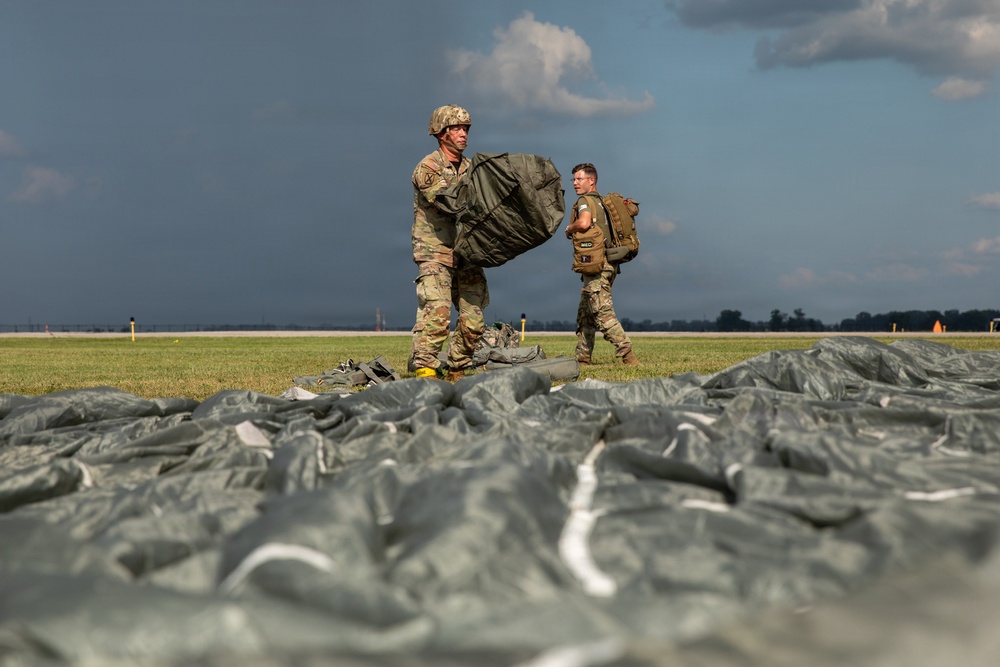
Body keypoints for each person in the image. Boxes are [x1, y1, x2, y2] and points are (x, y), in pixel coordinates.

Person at [409, 104, 489, 381]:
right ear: (441, 133)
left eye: (466, 128)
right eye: (456, 128)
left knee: (474, 320)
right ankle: (425, 369)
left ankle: (457, 368)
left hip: (467, 253)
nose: (463, 134)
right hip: (435, 251)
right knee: (438, 315)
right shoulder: (428, 167)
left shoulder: (473, 168)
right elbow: (448, 201)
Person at [564, 163, 639, 366]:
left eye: (579, 179)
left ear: (591, 180)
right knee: (586, 314)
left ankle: (628, 355)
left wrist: (570, 228)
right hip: (609, 264)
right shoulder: (603, 203)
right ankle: (583, 358)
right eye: (573, 180)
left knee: (603, 313)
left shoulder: (585, 201)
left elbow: (584, 223)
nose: (574, 184)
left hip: (597, 266)